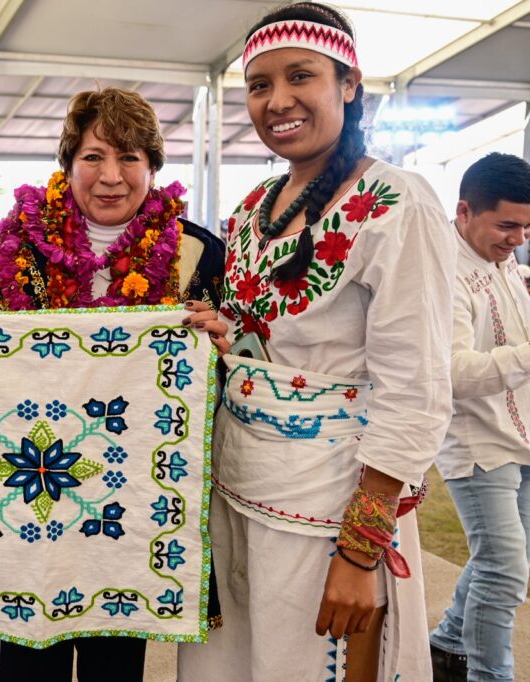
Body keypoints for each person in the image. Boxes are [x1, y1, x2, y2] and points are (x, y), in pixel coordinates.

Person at [178, 3, 456, 680]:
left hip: (327, 513)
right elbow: (263, 341)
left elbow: (415, 390)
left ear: (350, 83)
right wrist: (221, 336)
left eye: (299, 76)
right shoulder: (252, 209)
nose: (277, 101)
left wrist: (361, 552)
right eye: (259, 84)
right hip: (234, 495)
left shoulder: (397, 202)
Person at [0, 86, 225, 682]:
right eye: (93, 157)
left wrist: (222, 345)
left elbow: (223, 375)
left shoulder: (197, 253)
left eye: (130, 157)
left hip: (135, 499)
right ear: (68, 165)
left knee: (114, 664)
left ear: (153, 167)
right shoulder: (17, 250)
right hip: (30, 486)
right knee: (27, 658)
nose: (111, 176)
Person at [429, 152, 530, 682]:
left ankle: (447, 642)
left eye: (528, 226)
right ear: (464, 211)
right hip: (476, 441)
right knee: (505, 568)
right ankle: (491, 676)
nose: (518, 237)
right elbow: (450, 372)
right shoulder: (442, 269)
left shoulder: (501, 257)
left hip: (521, 431)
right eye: (508, 225)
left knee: (504, 559)